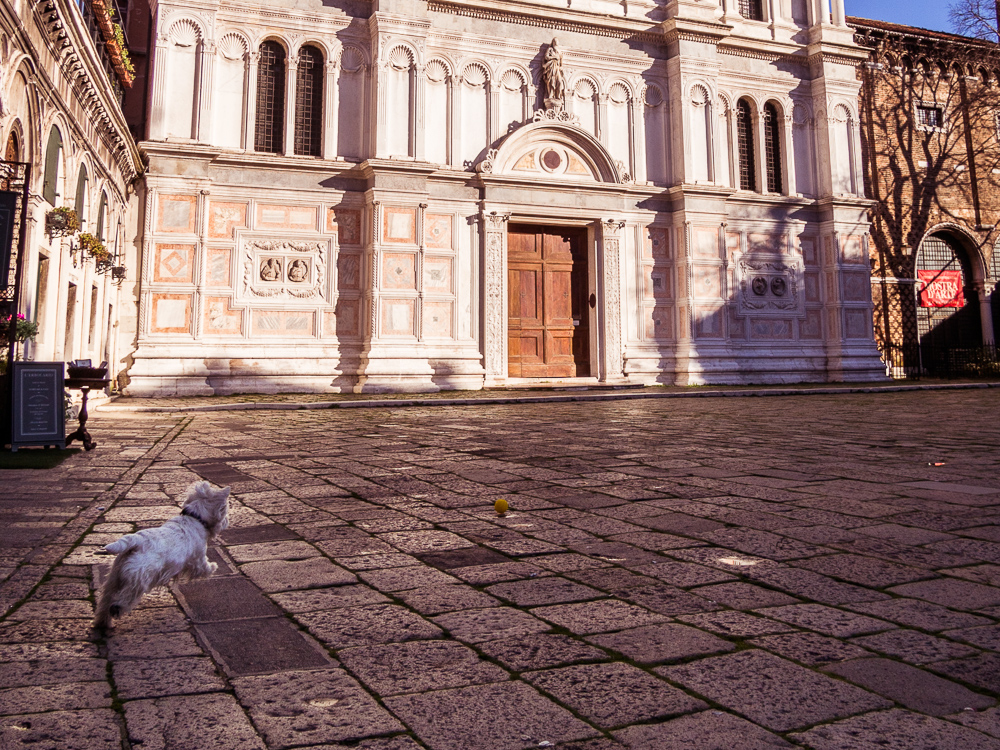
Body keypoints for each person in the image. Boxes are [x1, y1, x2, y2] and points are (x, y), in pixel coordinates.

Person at [542, 38, 566, 103]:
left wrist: (561, 68)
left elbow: (561, 63)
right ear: (553, 42)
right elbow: (546, 57)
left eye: (557, 41)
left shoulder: (560, 52)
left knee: (559, 82)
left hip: (557, 68)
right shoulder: (550, 49)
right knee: (551, 80)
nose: (556, 42)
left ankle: (558, 95)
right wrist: (554, 57)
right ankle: (551, 95)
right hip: (551, 67)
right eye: (554, 41)